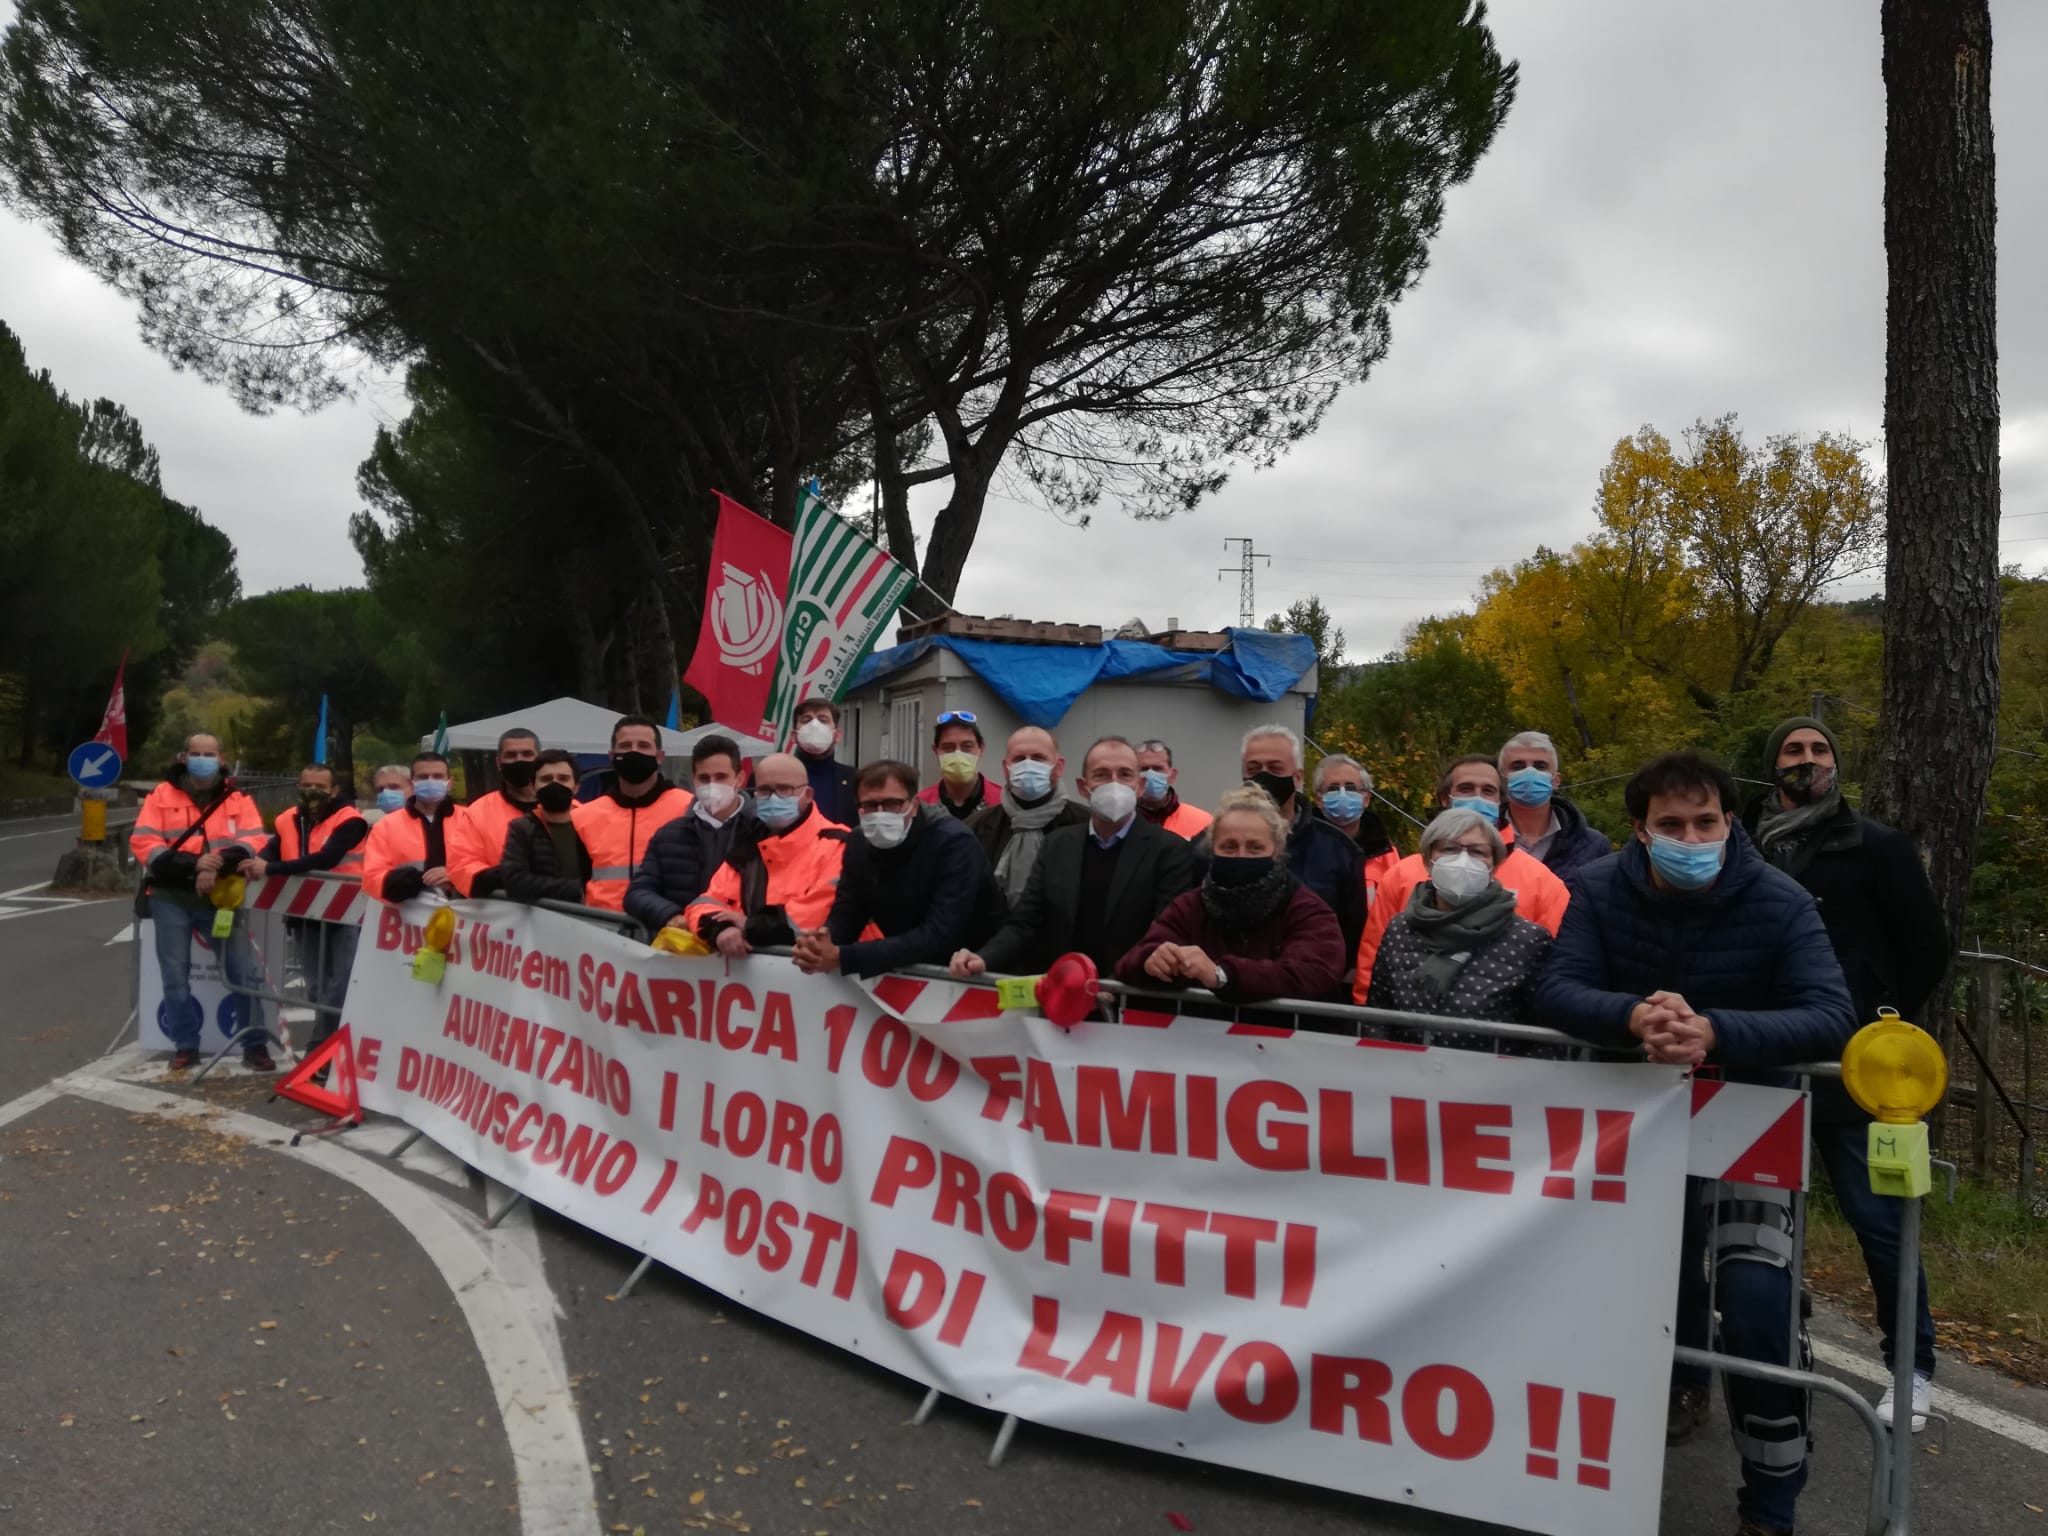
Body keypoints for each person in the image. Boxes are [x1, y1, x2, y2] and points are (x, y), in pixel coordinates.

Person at [1533, 753, 1856, 1536]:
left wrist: (1715, 1029)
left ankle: (1771, 1503)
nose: (1690, 836)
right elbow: (1559, 987)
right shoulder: (1599, 888)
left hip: (1748, 1118)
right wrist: (1634, 1017)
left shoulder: (1779, 900)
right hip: (1630, 1120)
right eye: (1670, 825)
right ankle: (1589, 1450)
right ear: (1640, 831)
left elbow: (1830, 1012)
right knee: (1628, 1288)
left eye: (1704, 822)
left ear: (1729, 823)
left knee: (1754, 1303)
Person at [1742, 714, 1948, 1430]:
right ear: (1771, 765)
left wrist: (1877, 1016)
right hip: (1761, 1060)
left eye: (1818, 749)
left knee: (1880, 1220)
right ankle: (1770, 1344)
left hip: (1855, 1070)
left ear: (1838, 763)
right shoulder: (1739, 846)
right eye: (1792, 749)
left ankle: (1912, 1366)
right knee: (1758, 1219)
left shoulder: (1878, 846)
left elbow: (1926, 943)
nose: (1806, 760)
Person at [952, 736, 1197, 978]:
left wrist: (1111, 986)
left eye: (1124, 774)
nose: (1114, 784)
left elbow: (1162, 935)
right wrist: (983, 958)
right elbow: (1024, 922)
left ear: (1140, 785)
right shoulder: (1058, 845)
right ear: (1083, 787)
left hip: (1129, 999)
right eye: (1101, 775)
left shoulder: (1169, 851)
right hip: (1063, 996)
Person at [1353, 753, 1571, 1002]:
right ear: (1445, 798)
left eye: (1488, 791)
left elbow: (1553, 974)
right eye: (1466, 789)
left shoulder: (1542, 882)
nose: (1477, 798)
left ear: (1501, 800)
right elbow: (1373, 963)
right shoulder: (1401, 875)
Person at [1119, 786, 1345, 1005]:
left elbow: (1314, 972)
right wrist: (1152, 961)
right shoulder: (1189, 907)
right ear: (1212, 848)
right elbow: (1131, 961)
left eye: (1255, 847)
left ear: (1276, 851)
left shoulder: (1307, 909)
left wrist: (1221, 975)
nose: (1241, 856)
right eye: (1229, 847)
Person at [130, 734, 275, 1072]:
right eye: (195, 753)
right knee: (175, 976)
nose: (202, 759)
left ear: (221, 758)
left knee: (241, 971)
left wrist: (215, 863)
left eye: (208, 754)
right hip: (171, 898)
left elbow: (253, 841)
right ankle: (185, 1045)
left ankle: (255, 1045)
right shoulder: (161, 796)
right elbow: (145, 843)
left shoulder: (237, 797)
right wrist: (195, 865)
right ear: (183, 756)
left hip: (221, 898)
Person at [794, 760, 1004, 978]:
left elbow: (940, 933)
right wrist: (820, 944)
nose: (880, 813)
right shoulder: (858, 842)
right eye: (870, 806)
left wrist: (843, 957)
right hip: (907, 967)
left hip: (973, 972)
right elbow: (848, 911)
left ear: (913, 805)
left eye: (892, 803)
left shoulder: (954, 842)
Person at [1365, 808, 1553, 1051]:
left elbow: (1542, 1036)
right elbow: (1379, 1013)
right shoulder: (1401, 929)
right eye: (1449, 849)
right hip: (1406, 1080)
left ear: (1493, 866)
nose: (1463, 860)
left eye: (1477, 852)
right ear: (1428, 860)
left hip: (1491, 1082)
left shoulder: (1528, 940)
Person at [1216, 724, 1366, 976]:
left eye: (1275, 769)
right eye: (1253, 769)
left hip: (1307, 997)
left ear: (1297, 778)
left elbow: (1352, 938)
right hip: (1225, 994)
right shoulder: (1211, 846)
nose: (1262, 777)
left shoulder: (1340, 852)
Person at [241, 761, 367, 1045]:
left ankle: (320, 1047)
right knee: (316, 987)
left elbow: (327, 858)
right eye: (307, 786)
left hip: (344, 913)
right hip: (303, 914)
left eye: (320, 787)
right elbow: (272, 850)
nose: (312, 791)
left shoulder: (350, 820)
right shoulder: (288, 819)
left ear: (334, 790)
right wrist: (258, 862)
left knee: (340, 986)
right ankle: (326, 1047)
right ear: (298, 787)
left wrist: (270, 870)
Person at [686, 753, 849, 955]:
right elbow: (705, 903)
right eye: (764, 790)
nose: (773, 797)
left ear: (807, 795)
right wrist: (721, 931)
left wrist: (749, 927)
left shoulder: (838, 843)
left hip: (818, 975)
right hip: (755, 979)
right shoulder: (750, 844)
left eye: (783, 789)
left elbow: (816, 916)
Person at [627, 733, 756, 935]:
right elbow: (638, 893)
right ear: (694, 780)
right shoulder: (669, 835)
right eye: (704, 778)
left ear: (739, 778)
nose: (712, 785)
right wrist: (673, 915)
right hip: (683, 949)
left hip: (746, 950)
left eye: (721, 777)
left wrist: (751, 924)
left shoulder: (762, 833)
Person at [571, 715, 692, 912]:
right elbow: (579, 880)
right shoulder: (584, 817)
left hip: (669, 931)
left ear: (660, 756)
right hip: (603, 929)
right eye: (625, 745)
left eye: (643, 745)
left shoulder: (688, 808)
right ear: (611, 756)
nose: (634, 751)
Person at [965, 726, 1088, 903]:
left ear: (1059, 767)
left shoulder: (1084, 825)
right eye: (1019, 759)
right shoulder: (976, 828)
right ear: (1006, 768)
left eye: (1039, 758)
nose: (1028, 765)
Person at [1498, 730, 1613, 882]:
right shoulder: (1480, 840)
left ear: (1556, 780)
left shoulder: (1594, 845)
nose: (1529, 772)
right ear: (1501, 779)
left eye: (1540, 766)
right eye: (1518, 766)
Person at [363, 751, 469, 902]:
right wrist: (417, 880)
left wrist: (456, 876)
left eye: (438, 776)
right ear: (412, 783)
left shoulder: (470, 819)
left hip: (467, 916)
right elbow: (372, 879)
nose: (430, 781)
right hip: (408, 917)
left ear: (450, 783)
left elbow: (487, 867)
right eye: (423, 777)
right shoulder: (386, 826)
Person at [448, 727, 541, 897]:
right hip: (501, 914)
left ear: (540, 760)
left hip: (563, 914)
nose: (519, 760)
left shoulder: (572, 809)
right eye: (511, 755)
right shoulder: (477, 813)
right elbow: (461, 866)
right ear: (499, 763)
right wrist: (507, 876)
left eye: (527, 754)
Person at [500, 750, 593, 904]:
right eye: (546, 779)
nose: (555, 784)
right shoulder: (522, 828)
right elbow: (515, 881)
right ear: (533, 787)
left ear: (576, 786)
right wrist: (577, 890)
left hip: (594, 919)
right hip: (542, 920)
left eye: (563, 778)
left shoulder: (594, 825)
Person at [1312, 753, 1399, 897]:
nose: (1343, 794)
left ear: (1366, 798)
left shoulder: (1391, 858)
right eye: (1333, 788)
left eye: (1351, 788)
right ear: (1318, 799)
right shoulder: (1301, 850)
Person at [917, 711, 1003, 820]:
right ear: (936, 751)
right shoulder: (920, 805)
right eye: (948, 747)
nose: (958, 754)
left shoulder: (1004, 802)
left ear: (981, 749)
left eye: (967, 746)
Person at [793, 697, 858, 825]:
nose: (814, 726)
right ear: (794, 736)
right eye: (806, 720)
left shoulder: (856, 779)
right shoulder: (770, 777)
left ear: (837, 735)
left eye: (823, 720)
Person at [1135, 740, 1213, 838]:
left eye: (1157, 769)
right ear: (1133, 776)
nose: (1150, 774)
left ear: (1172, 775)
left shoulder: (1203, 822)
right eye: (1144, 769)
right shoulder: (1122, 822)